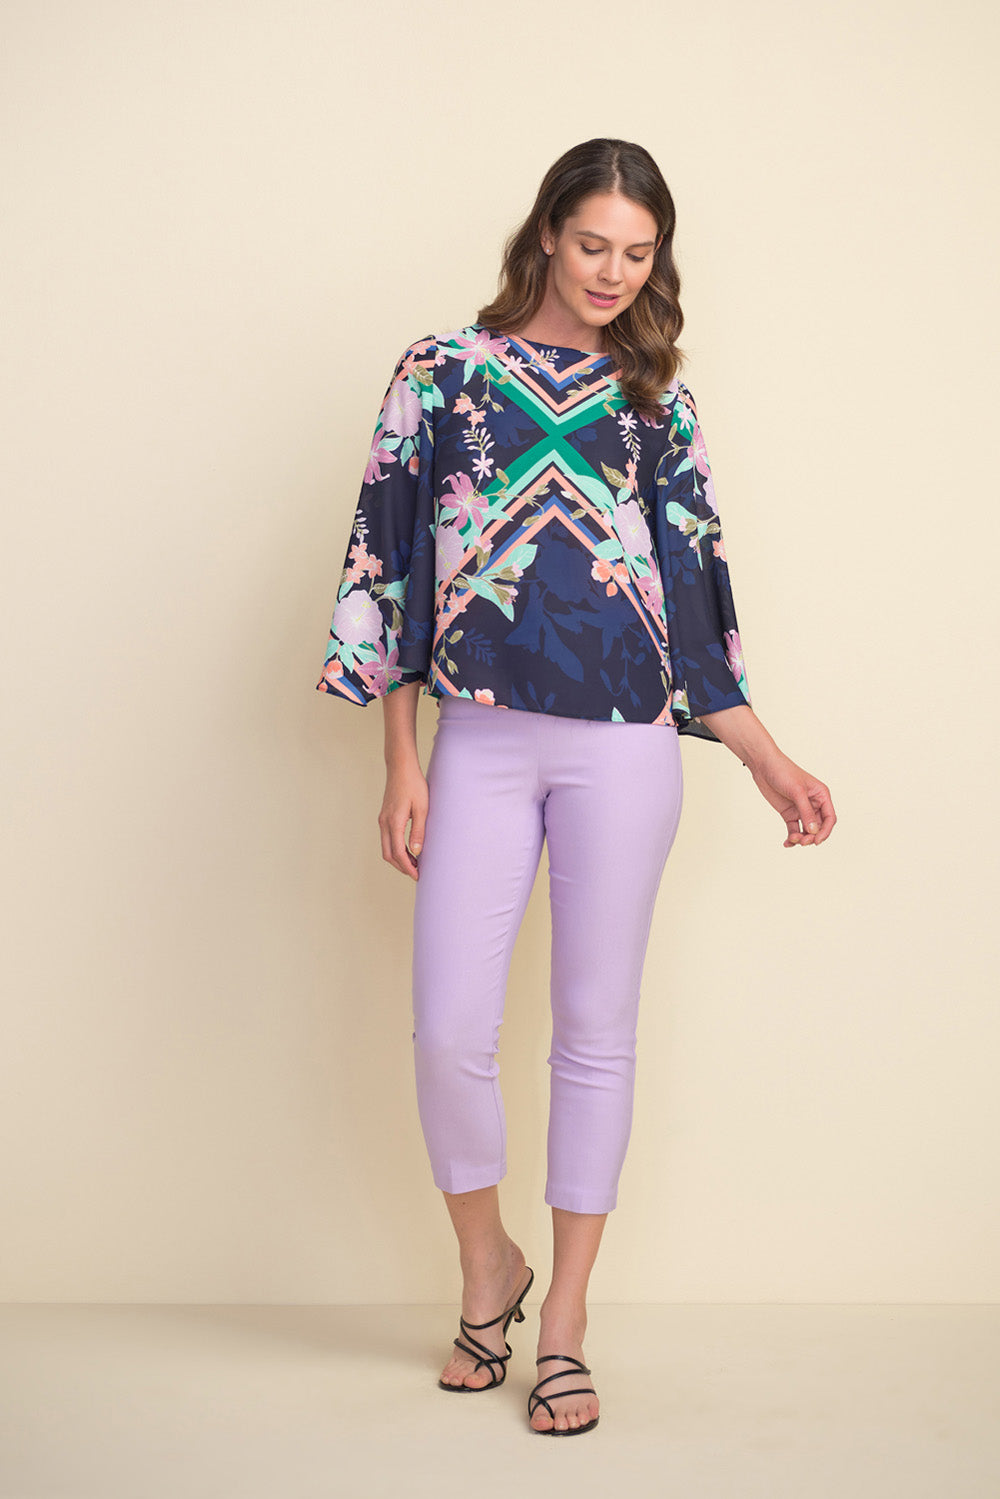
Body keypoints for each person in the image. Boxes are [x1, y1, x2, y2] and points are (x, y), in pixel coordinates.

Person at [314, 137, 836, 1438]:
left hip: (624, 747)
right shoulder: (442, 373)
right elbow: (389, 565)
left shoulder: (657, 403)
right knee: (450, 1030)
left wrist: (768, 758)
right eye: (593, 242)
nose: (612, 272)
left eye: (638, 253)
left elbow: (696, 611)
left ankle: (563, 1327)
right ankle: (487, 1266)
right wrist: (402, 761)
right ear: (547, 232)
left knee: (595, 1033)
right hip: (480, 739)